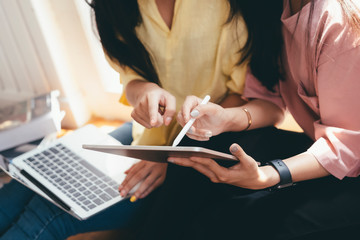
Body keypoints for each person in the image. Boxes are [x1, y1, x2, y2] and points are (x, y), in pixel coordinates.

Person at [0, 1, 249, 239]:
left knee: (48, 214)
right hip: (144, 137)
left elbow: (244, 95)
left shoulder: (227, 8)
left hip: (199, 149)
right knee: (29, 179)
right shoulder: (117, 6)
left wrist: (169, 153)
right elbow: (129, 75)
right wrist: (144, 91)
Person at [135, 0, 360, 239]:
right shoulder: (271, 9)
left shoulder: (339, 22)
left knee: (227, 221)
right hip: (328, 152)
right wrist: (225, 118)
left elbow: (347, 146)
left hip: (350, 165)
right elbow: (270, 101)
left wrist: (271, 174)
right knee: (200, 151)